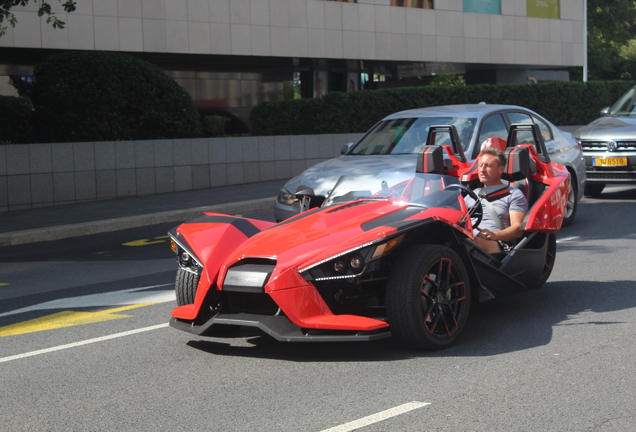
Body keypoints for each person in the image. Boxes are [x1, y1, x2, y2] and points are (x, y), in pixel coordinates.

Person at [468, 148, 528, 254]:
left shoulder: (513, 194)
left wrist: (495, 235)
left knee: (469, 242)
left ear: (501, 169)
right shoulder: (472, 193)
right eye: (480, 165)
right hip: (468, 235)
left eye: (488, 166)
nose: (482, 170)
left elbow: (518, 229)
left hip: (496, 242)